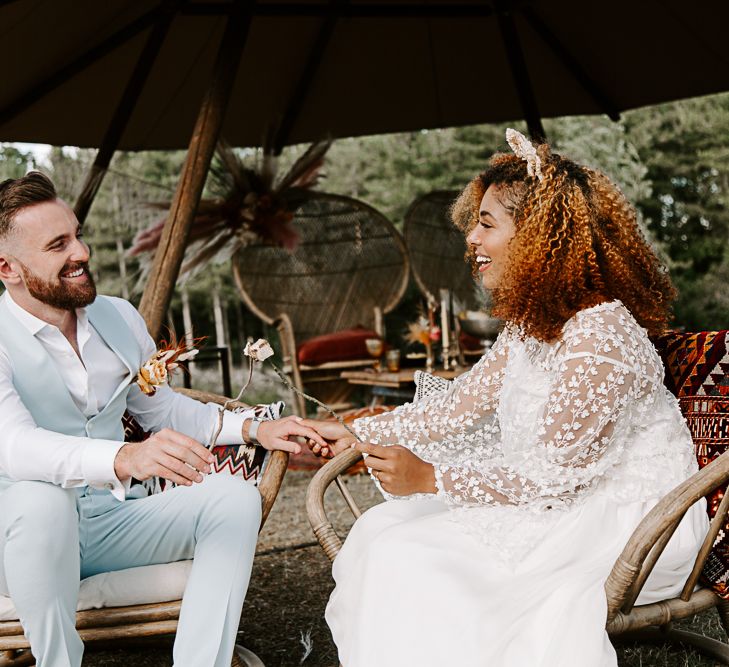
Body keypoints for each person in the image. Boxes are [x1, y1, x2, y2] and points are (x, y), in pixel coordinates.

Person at [306, 130, 709, 667]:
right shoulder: (529, 327)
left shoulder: (601, 335)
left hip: (627, 523)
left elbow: (555, 475)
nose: (470, 237)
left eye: (486, 223)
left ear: (540, 239)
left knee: (410, 555)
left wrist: (432, 478)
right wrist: (357, 430)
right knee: (379, 532)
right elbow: (455, 410)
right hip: (556, 498)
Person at [0, 172, 327, 667]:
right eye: (58, 244)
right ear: (8, 267)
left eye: (78, 234)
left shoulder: (119, 317)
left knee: (234, 500)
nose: (82, 252)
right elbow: (15, 445)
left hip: (110, 520)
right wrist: (126, 456)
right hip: (20, 534)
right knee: (40, 497)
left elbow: (162, 409)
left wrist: (255, 428)